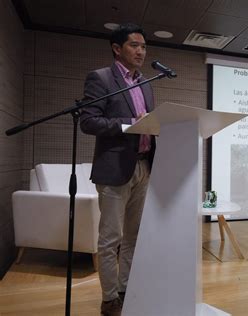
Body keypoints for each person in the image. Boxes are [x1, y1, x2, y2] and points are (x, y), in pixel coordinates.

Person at [80, 23, 155, 316]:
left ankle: (126, 289)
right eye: (134, 45)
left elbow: (146, 121)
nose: (141, 51)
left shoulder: (146, 83)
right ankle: (109, 299)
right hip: (114, 169)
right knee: (111, 239)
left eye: (144, 46)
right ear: (117, 48)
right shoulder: (100, 78)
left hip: (143, 167)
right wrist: (128, 124)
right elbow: (89, 121)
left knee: (135, 237)